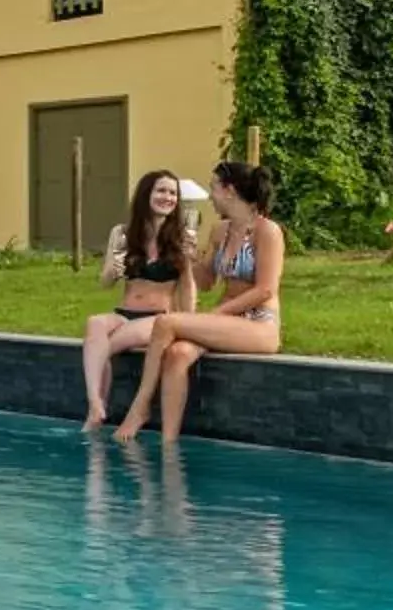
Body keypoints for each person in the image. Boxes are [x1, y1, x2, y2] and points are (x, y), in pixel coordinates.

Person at [114, 160, 283, 443]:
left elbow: (265, 290)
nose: (210, 196)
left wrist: (218, 313)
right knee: (178, 354)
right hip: (226, 320)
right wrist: (189, 258)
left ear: (229, 191)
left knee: (166, 322)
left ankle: (139, 407)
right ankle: (169, 444)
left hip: (259, 323)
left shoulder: (268, 231)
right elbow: (206, 282)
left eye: (213, 188)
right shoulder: (221, 231)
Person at [81, 169, 194, 429]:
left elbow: (188, 285)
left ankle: (95, 411)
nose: (167, 197)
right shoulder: (122, 233)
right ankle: (95, 403)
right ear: (146, 194)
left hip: (157, 318)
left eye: (172, 192)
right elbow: (106, 283)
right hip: (125, 311)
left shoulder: (182, 237)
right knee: (95, 323)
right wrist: (113, 270)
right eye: (161, 191)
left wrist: (189, 322)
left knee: (101, 350)